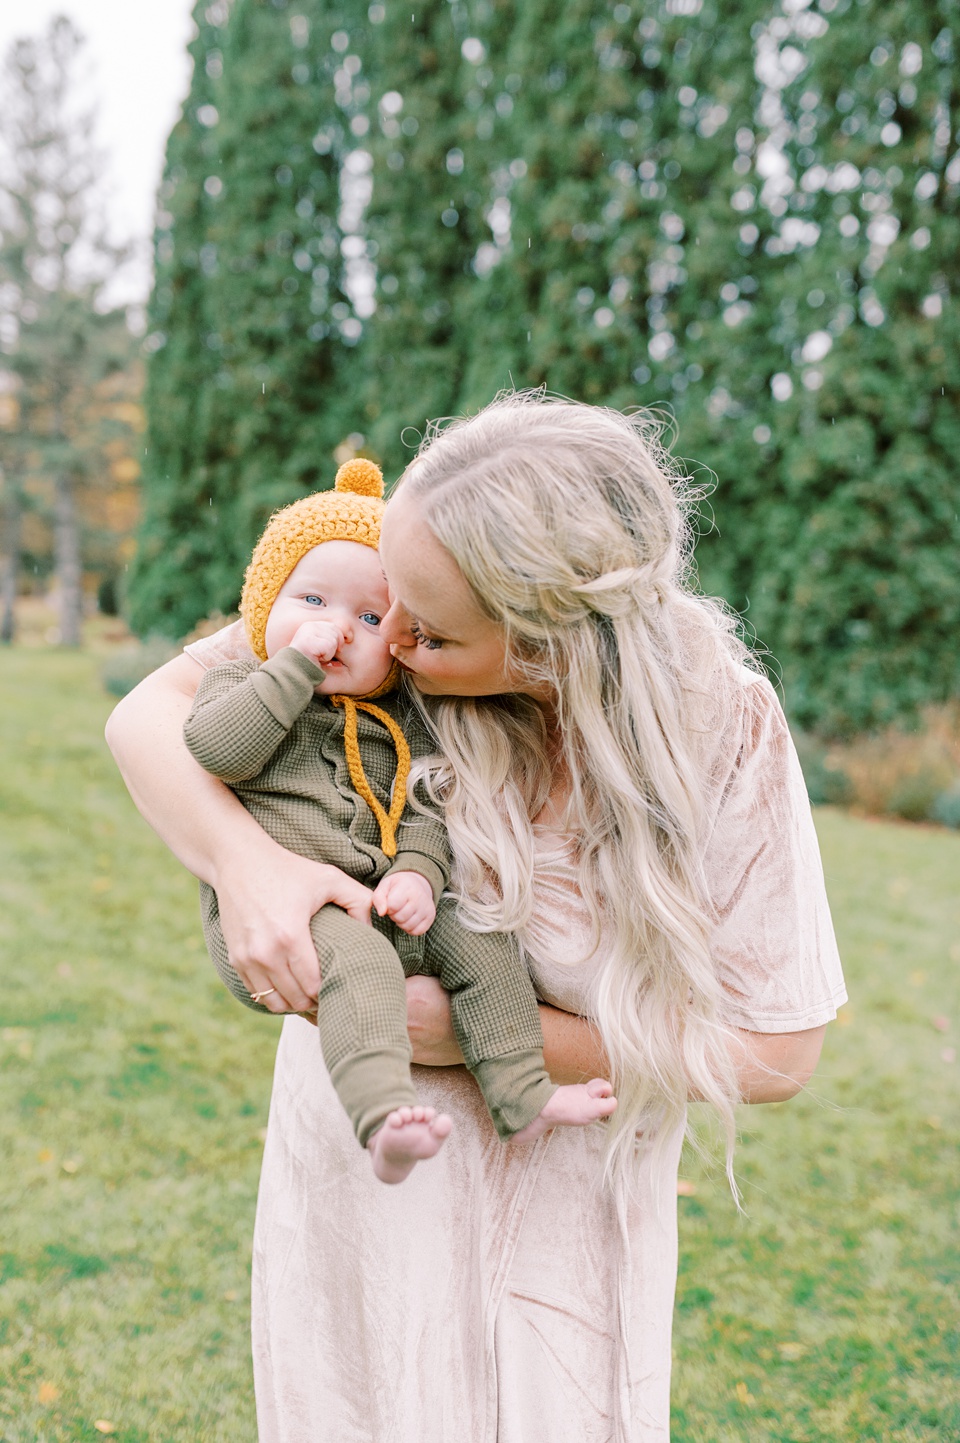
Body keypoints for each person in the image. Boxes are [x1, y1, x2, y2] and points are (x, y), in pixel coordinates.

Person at [106, 392, 846, 1442]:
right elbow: (145, 715)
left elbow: (779, 1052)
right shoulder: (391, 598)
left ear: (547, 643)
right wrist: (247, 867)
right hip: (360, 1194)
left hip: (565, 1240)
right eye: (390, 597)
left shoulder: (719, 726)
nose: (388, 638)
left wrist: (481, 1035)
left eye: (431, 629)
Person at [183, 456, 616, 1183]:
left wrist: (417, 873)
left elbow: (425, 807)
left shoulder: (402, 718)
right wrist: (293, 669)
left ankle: (522, 1094)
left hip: (388, 901)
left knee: (483, 942)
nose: (336, 629)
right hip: (292, 917)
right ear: (264, 606)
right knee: (361, 964)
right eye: (312, 600)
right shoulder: (242, 683)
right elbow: (220, 751)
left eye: (369, 617)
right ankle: (384, 1119)